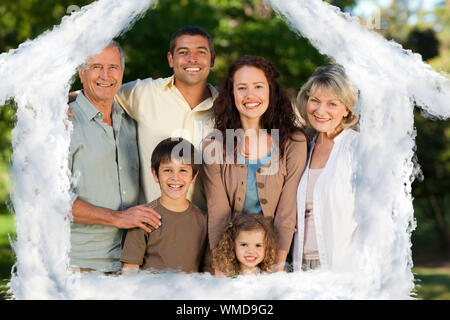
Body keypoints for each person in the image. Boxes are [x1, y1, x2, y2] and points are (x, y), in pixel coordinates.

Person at [202, 55, 308, 273]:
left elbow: (287, 212)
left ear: (271, 90)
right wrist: (223, 270)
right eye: (242, 88)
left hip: (276, 259)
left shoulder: (293, 143)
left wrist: (275, 269)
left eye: (258, 86)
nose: (250, 95)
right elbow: (218, 212)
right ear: (232, 95)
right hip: (229, 258)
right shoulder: (214, 145)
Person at [68, 42, 161, 273]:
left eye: (113, 67)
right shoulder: (63, 124)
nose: (106, 75)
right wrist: (117, 218)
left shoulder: (130, 120)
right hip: (81, 265)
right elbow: (52, 200)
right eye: (96, 67)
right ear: (81, 73)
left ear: (122, 72)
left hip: (131, 263)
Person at [113, 25, 217, 211]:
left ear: (212, 59)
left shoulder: (226, 109)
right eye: (183, 52)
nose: (192, 59)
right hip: (152, 226)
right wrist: (64, 107)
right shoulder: (144, 93)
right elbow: (97, 93)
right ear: (171, 59)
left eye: (201, 52)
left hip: (206, 230)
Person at [292, 65, 360, 271]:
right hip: (298, 265)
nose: (320, 111)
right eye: (315, 101)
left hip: (341, 267)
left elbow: (375, 217)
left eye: (332, 104)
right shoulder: (303, 148)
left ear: (347, 109)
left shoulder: (357, 147)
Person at [120, 138, 207, 275]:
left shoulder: (202, 220)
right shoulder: (143, 217)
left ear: (193, 177)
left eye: (183, 170)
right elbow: (129, 271)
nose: (175, 177)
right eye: (168, 170)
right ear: (155, 175)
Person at [213, 214, 277, 277]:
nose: (251, 251)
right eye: (244, 245)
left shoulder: (269, 277)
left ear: (267, 247)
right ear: (232, 245)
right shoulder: (227, 278)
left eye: (258, 245)